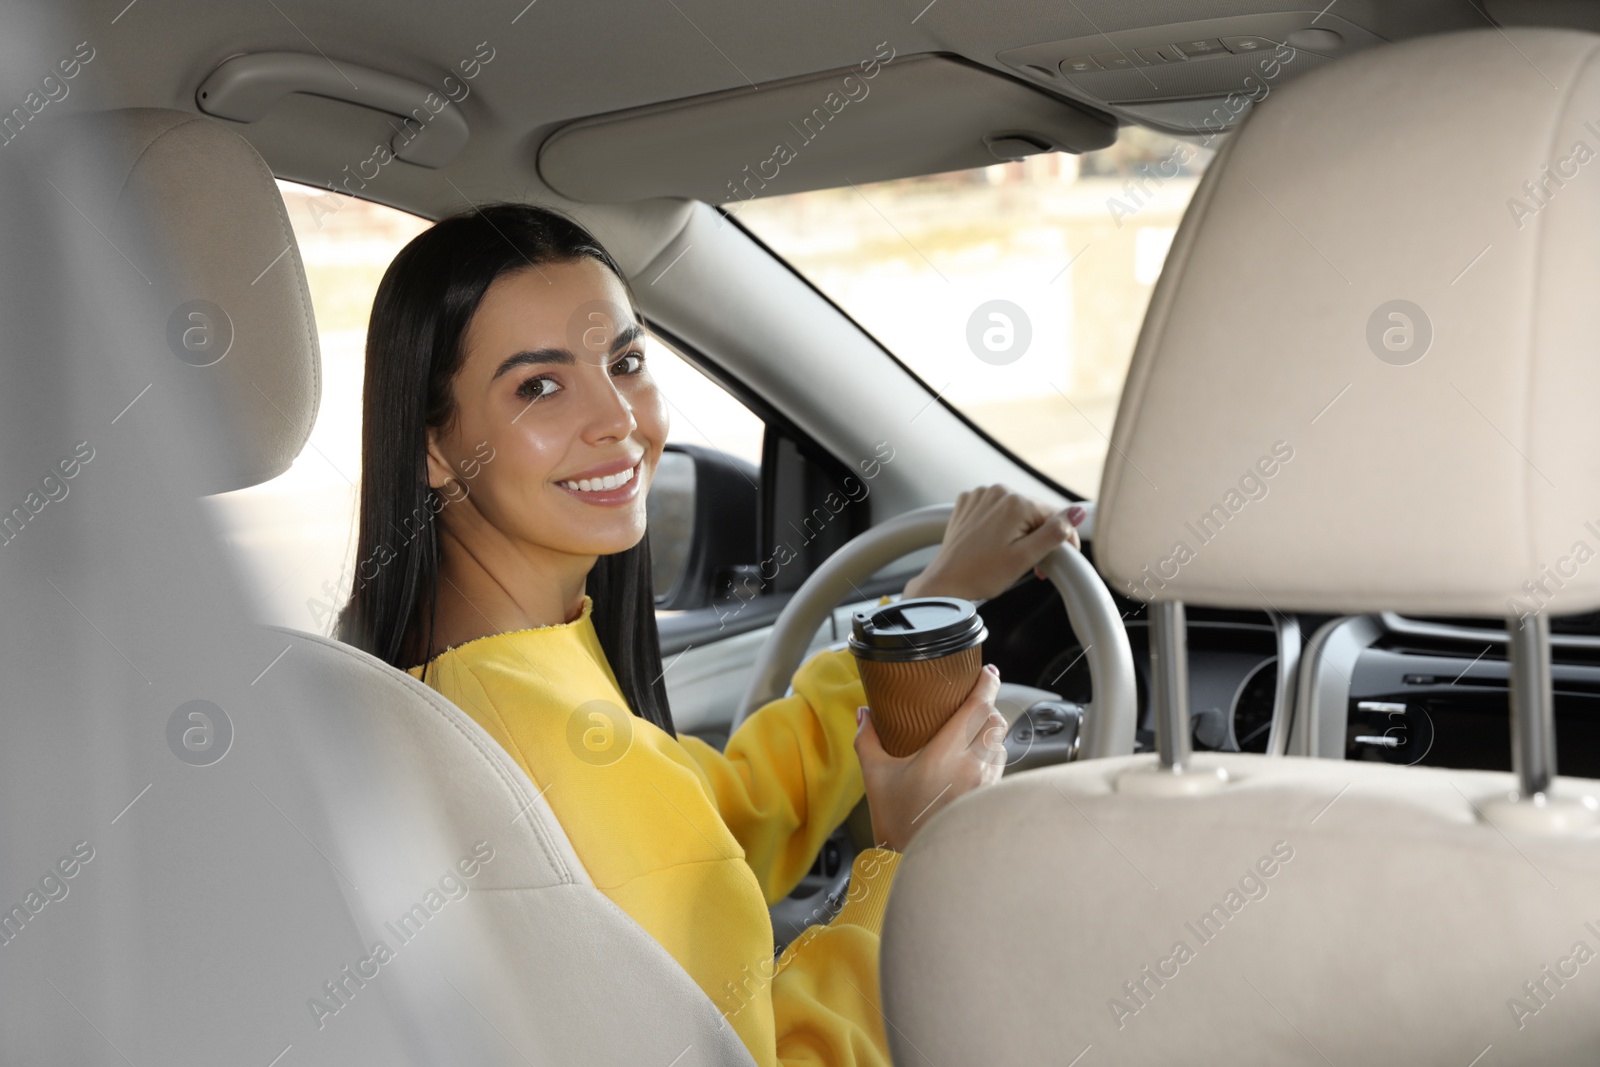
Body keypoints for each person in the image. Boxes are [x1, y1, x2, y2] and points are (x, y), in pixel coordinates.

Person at [337, 202, 1084, 1066]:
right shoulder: (539, 733)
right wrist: (913, 858)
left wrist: (929, 602)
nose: (616, 417)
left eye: (624, 361)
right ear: (434, 446)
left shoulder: (455, 679)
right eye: (538, 385)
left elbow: (720, 817)